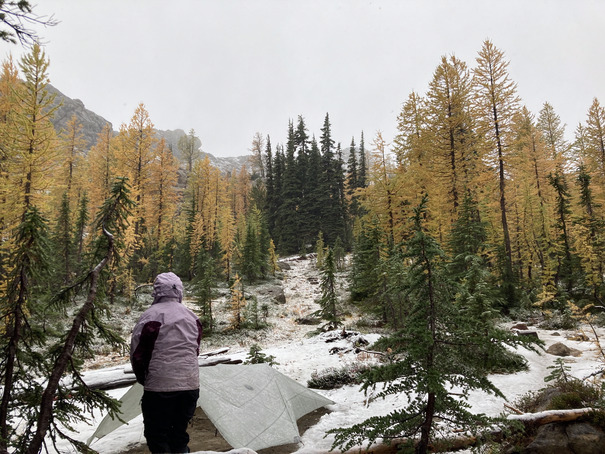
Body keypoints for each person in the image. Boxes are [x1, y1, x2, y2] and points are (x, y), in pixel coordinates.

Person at [130, 272, 203, 454]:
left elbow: (138, 354)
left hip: (159, 388)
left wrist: (144, 379)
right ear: (179, 291)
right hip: (190, 386)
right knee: (179, 434)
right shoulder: (192, 317)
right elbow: (195, 350)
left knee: (158, 436)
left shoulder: (150, 316)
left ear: (157, 291)